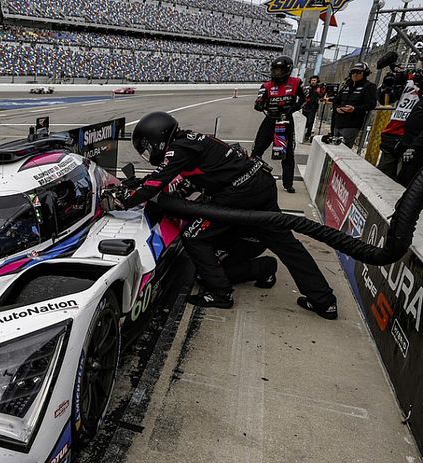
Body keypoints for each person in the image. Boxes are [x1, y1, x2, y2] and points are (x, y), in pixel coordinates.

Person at [114, 112, 337, 319]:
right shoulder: (191, 140)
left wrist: (121, 200)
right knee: (287, 245)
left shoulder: (178, 149)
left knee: (194, 235)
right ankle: (324, 301)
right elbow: (183, 176)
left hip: (240, 194)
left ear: (157, 138)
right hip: (259, 184)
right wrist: (139, 185)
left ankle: (220, 293)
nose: (147, 152)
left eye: (146, 146)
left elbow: (155, 183)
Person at [252, 56, 305, 193]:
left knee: (287, 154)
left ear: (287, 70)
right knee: (257, 150)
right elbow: (258, 103)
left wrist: (294, 108)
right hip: (270, 119)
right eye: (274, 70)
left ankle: (288, 183)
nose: (276, 73)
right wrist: (260, 105)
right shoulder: (266, 86)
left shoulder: (296, 82)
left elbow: (306, 99)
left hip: (285, 121)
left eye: (279, 70)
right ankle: (251, 179)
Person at [377, 51, 423, 181]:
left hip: (415, 138)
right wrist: (386, 86)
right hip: (395, 130)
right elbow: (385, 100)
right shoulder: (408, 77)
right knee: (383, 176)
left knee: (404, 179)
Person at [330, 62, 378, 148]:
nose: (355, 75)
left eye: (359, 72)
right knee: (333, 149)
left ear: (364, 73)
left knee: (343, 150)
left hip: (351, 124)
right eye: (353, 72)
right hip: (338, 122)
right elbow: (336, 101)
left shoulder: (369, 86)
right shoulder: (346, 85)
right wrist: (336, 108)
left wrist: (355, 109)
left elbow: (371, 104)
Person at [301, 75, 323, 143]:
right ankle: (302, 134)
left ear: (317, 81)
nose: (313, 82)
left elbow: (321, 96)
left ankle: (308, 135)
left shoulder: (318, 89)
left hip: (313, 107)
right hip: (305, 106)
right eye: (312, 80)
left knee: (310, 122)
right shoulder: (307, 88)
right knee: (304, 121)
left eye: (314, 80)